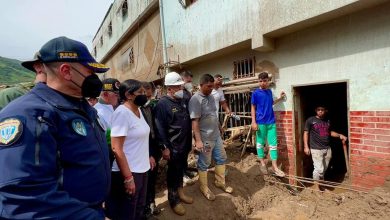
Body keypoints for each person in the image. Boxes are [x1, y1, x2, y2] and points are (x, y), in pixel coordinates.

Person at [0, 36, 110, 219]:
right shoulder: (30, 114)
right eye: (90, 72)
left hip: (88, 210)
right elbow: (24, 199)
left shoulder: (80, 107)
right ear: (66, 71)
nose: (95, 80)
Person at [105, 79, 150, 220]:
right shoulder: (122, 113)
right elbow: (116, 148)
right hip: (129, 172)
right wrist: (128, 177)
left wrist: (148, 157)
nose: (145, 94)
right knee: (127, 211)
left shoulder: (139, 110)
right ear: (128, 95)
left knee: (139, 207)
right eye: (140, 92)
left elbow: (139, 139)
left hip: (142, 168)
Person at [189, 74, 234, 201]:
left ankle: (220, 182)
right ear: (201, 85)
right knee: (205, 163)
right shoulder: (195, 100)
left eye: (212, 86)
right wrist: (198, 140)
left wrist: (219, 126)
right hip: (206, 139)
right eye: (209, 86)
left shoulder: (211, 97)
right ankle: (204, 187)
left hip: (216, 136)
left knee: (221, 158)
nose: (211, 89)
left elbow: (213, 115)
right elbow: (195, 121)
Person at [154, 71, 193, 216]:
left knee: (181, 170)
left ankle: (181, 192)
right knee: (173, 173)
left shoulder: (183, 101)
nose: (180, 89)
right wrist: (164, 148)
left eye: (181, 86)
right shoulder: (162, 105)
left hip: (185, 144)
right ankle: (174, 199)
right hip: (173, 147)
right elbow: (160, 129)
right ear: (169, 88)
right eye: (177, 87)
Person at [303, 105, 347, 190]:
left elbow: (329, 132)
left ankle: (321, 184)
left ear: (325, 111)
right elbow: (306, 133)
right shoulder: (311, 120)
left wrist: (339, 135)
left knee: (323, 168)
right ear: (316, 110)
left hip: (327, 148)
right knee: (319, 169)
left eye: (322, 110)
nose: (320, 111)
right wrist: (306, 146)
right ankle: (316, 187)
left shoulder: (327, 121)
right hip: (316, 149)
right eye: (318, 110)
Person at [250, 72, 286, 177]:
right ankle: (262, 163)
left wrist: (280, 98)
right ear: (258, 81)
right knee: (260, 143)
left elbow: (271, 103)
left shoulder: (270, 92)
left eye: (264, 81)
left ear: (268, 81)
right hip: (260, 122)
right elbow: (253, 107)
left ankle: (274, 167)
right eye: (260, 81)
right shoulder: (255, 93)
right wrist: (253, 121)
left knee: (273, 145)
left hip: (271, 122)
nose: (262, 83)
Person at [140, 81, 162, 217]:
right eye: (145, 97)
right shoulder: (135, 110)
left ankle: (151, 203)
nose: (148, 100)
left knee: (152, 177)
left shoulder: (151, 107)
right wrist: (148, 154)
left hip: (153, 146)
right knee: (144, 180)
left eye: (149, 97)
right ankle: (144, 207)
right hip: (142, 149)